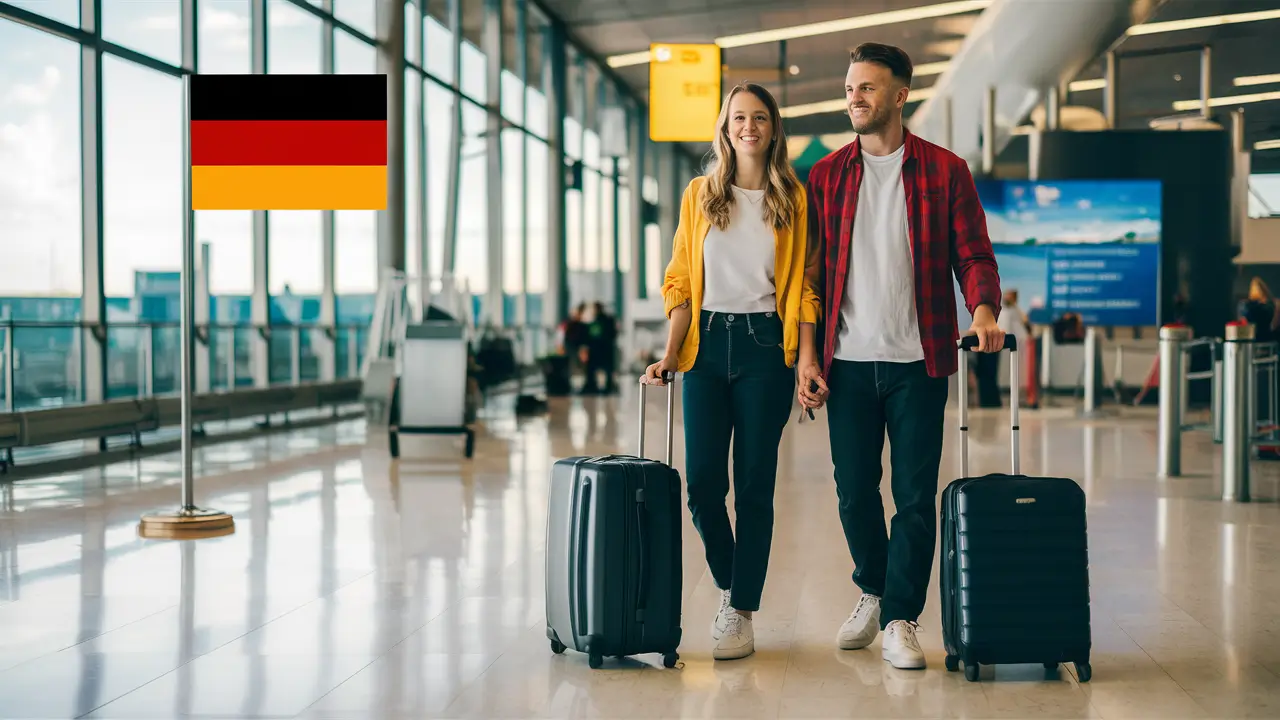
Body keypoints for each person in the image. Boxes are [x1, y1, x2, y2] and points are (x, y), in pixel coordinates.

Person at [803, 43, 1003, 670]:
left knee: (916, 498)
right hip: (848, 362)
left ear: (899, 95)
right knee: (854, 492)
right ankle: (874, 584)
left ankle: (899, 617)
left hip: (920, 360)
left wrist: (984, 309)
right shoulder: (827, 175)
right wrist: (808, 356)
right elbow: (810, 275)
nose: (854, 97)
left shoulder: (945, 171)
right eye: (850, 87)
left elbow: (972, 254)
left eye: (867, 87)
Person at [642, 81, 825, 661]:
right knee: (702, 488)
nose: (749, 126)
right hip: (704, 345)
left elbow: (805, 291)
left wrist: (806, 358)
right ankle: (732, 585)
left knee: (754, 487)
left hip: (765, 348)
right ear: (725, 128)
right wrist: (671, 351)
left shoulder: (793, 199)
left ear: (774, 128)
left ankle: (740, 610)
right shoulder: (699, 195)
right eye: (739, 117)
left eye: (760, 117)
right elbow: (681, 281)